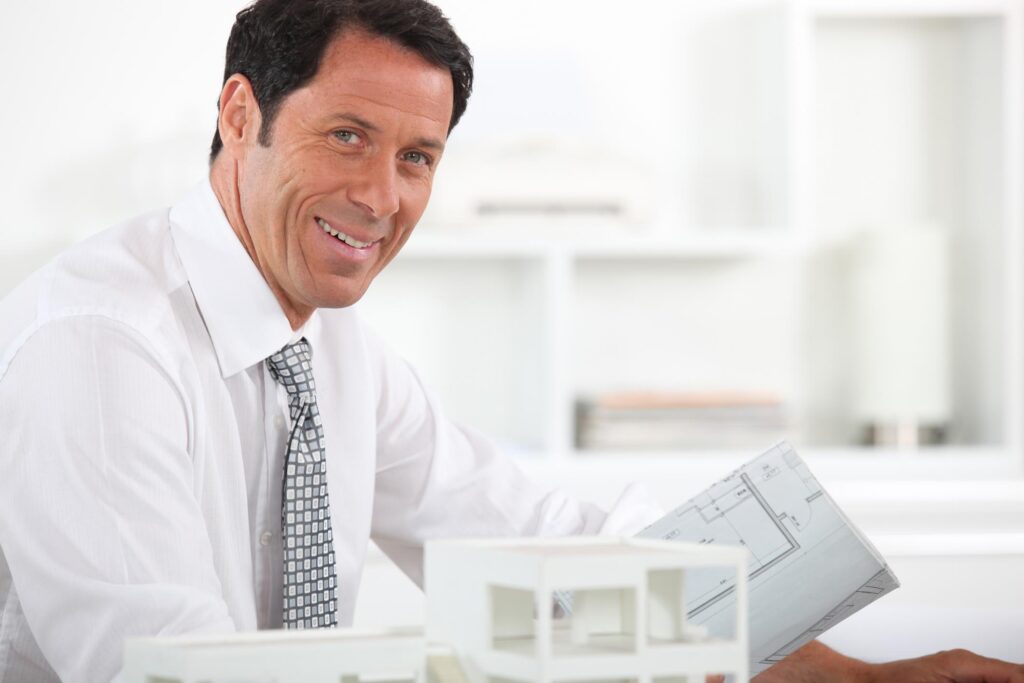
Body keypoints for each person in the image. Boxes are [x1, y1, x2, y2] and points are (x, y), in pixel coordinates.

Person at [0, 1, 1019, 682]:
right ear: (238, 113)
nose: (382, 196)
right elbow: (165, 665)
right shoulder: (100, 343)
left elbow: (557, 542)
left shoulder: (329, 349)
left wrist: (855, 672)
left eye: (418, 157)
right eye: (346, 134)